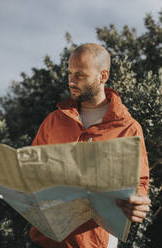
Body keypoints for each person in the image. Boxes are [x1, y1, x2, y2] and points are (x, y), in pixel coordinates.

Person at [29, 43, 150, 248]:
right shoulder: (53, 121)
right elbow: (30, 172)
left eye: (80, 75)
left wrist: (137, 202)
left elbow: (139, 184)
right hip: (46, 240)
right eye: (69, 73)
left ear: (103, 76)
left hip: (95, 243)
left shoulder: (128, 128)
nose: (71, 81)